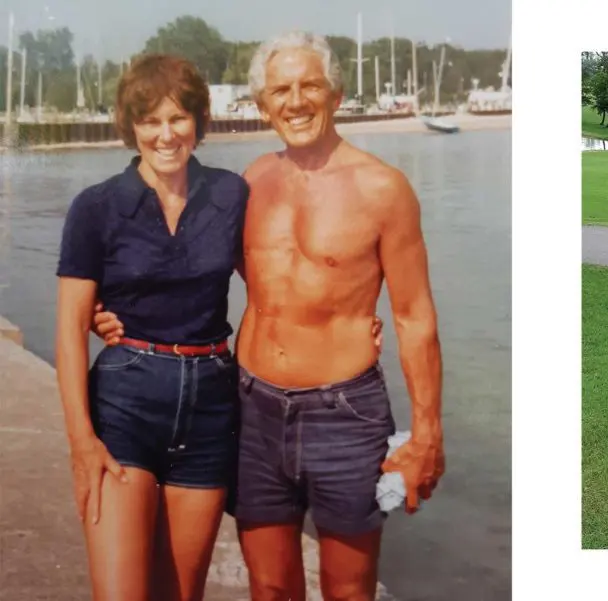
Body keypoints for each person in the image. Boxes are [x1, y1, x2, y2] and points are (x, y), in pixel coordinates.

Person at [94, 31, 444, 601]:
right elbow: (190, 270)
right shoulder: (248, 186)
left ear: (336, 93)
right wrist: (106, 314)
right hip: (253, 409)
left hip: (345, 413)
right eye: (280, 89)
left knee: (349, 589)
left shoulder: (383, 189)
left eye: (310, 85)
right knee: (271, 587)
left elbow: (414, 316)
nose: (296, 101)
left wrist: (427, 434)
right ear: (262, 105)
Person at [55, 54, 248, 600]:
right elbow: (70, 330)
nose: (165, 135)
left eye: (178, 118)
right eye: (150, 121)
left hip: (211, 405)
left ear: (198, 122)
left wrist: (353, 316)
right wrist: (80, 441)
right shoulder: (96, 208)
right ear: (132, 126)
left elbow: (275, 282)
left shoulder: (231, 195)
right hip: (124, 405)